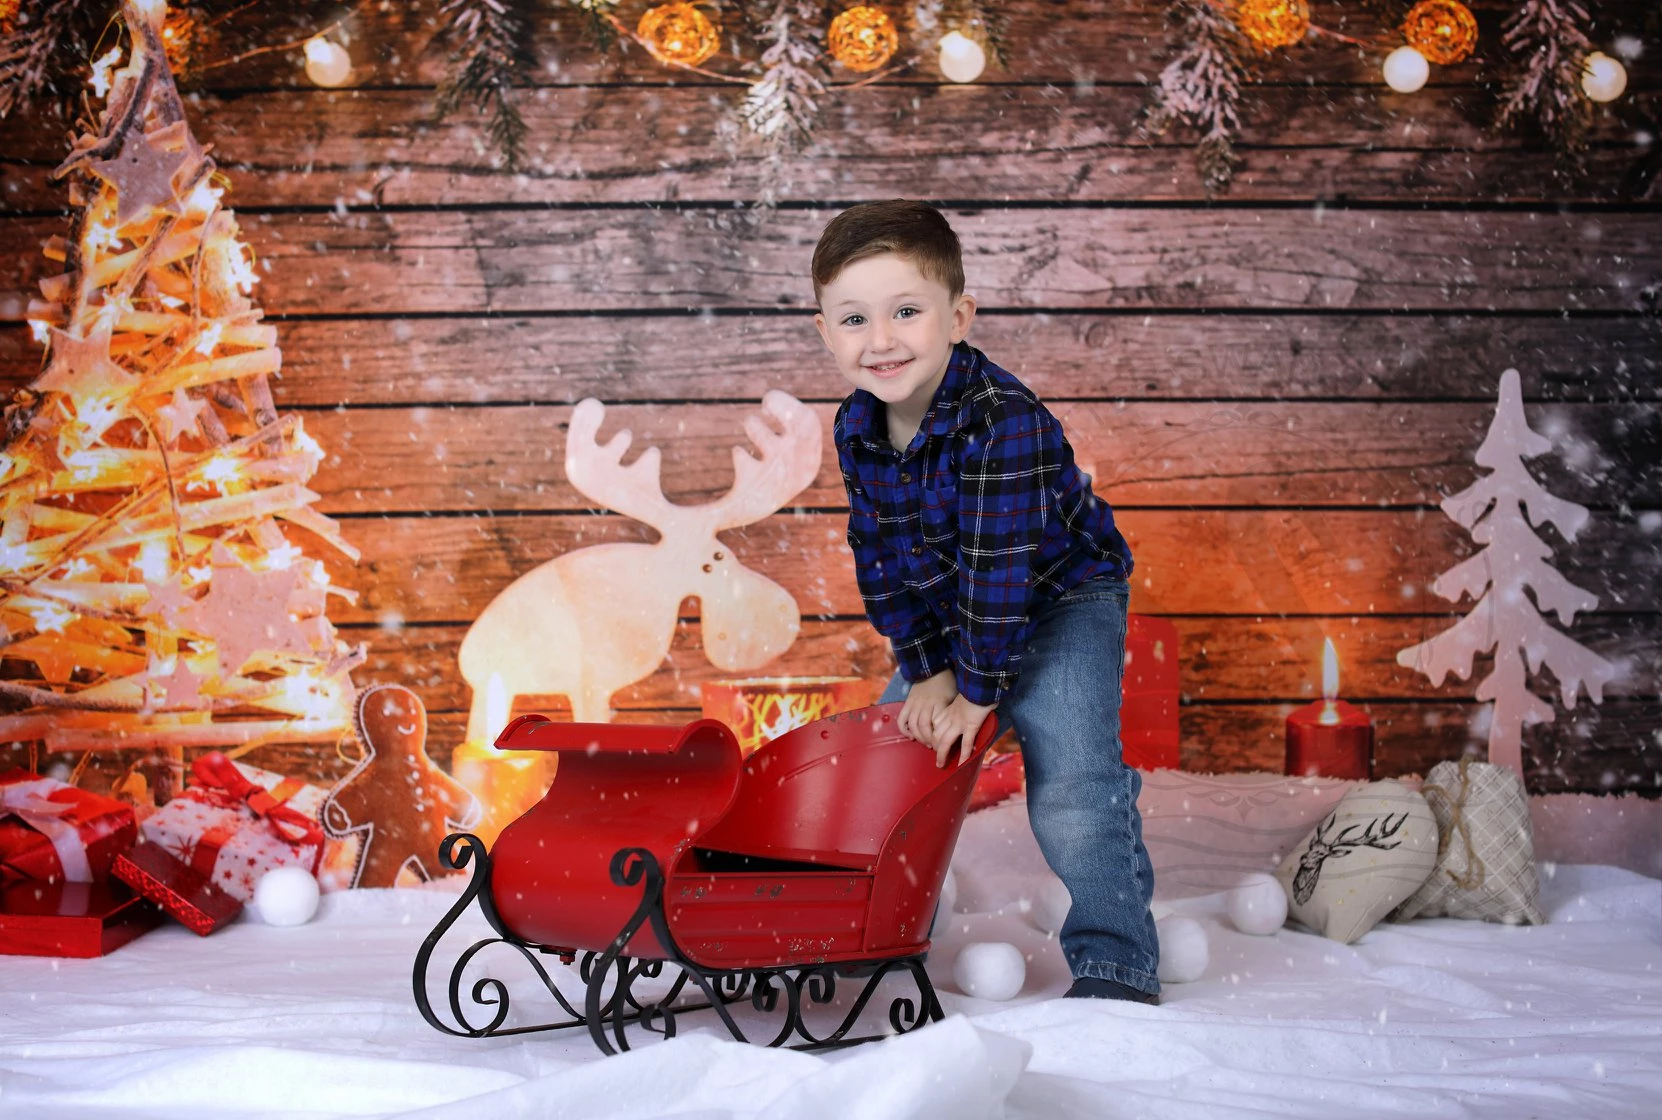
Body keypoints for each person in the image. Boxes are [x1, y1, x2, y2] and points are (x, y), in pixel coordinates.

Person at [812, 199, 1161, 1003]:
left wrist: (976, 689)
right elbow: (880, 557)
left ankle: (1116, 958)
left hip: (1062, 597)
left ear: (959, 316)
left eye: (907, 311)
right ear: (825, 334)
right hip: (958, 619)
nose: (882, 339)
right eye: (855, 318)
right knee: (894, 775)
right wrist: (927, 669)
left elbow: (999, 570)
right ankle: (879, 939)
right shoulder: (857, 426)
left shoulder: (1005, 422)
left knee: (1074, 785)